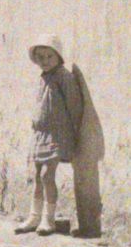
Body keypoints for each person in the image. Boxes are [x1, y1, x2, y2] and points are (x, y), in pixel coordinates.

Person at [16, 33, 85, 234]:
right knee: (37, 176)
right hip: (41, 134)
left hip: (56, 134)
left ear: (58, 57)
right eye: (41, 57)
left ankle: (49, 219)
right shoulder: (44, 77)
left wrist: (72, 132)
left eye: (49, 57)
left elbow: (74, 105)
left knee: (47, 175)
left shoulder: (64, 77)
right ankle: (34, 217)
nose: (45, 61)